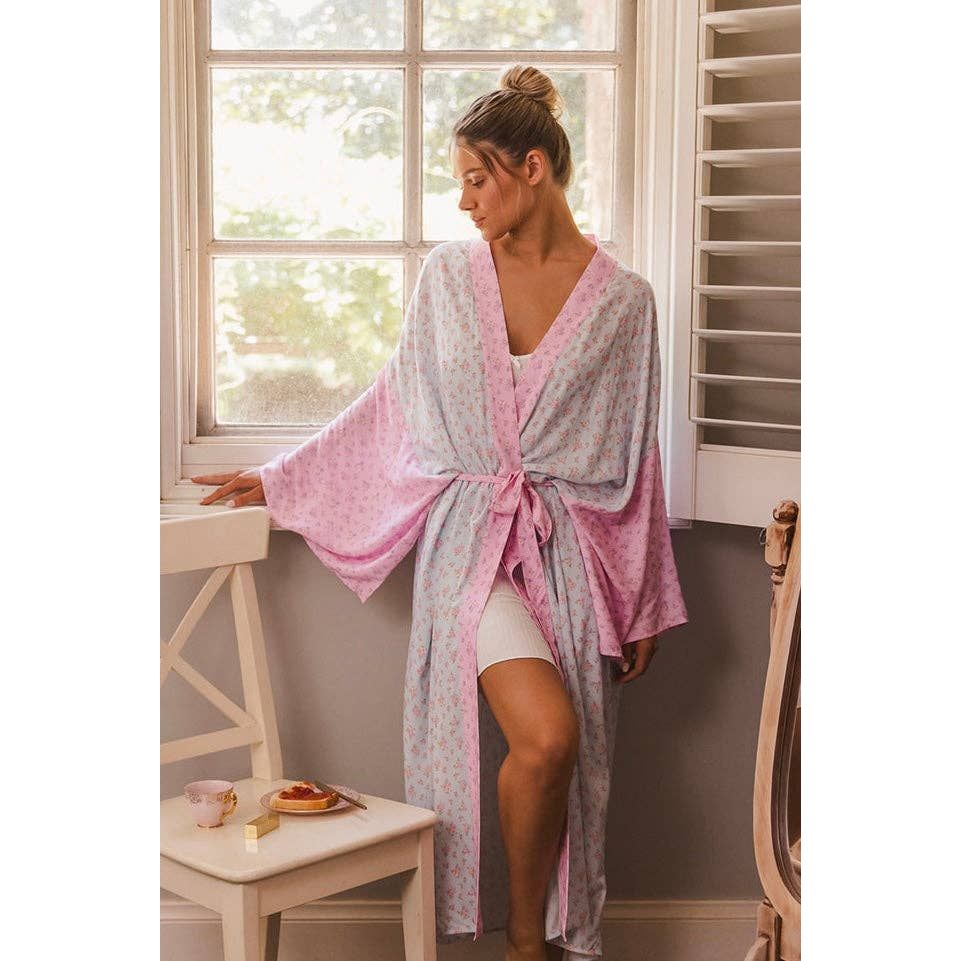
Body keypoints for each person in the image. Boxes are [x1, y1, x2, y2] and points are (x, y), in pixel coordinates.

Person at [191, 64, 687, 961]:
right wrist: (282, 478)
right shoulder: (449, 278)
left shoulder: (624, 303)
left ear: (532, 168)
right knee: (548, 736)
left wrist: (644, 595)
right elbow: (398, 401)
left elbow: (634, 455)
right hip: (472, 549)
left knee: (568, 755)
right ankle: (525, 944)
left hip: (569, 553)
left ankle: (534, 933)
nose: (462, 201)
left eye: (475, 178)